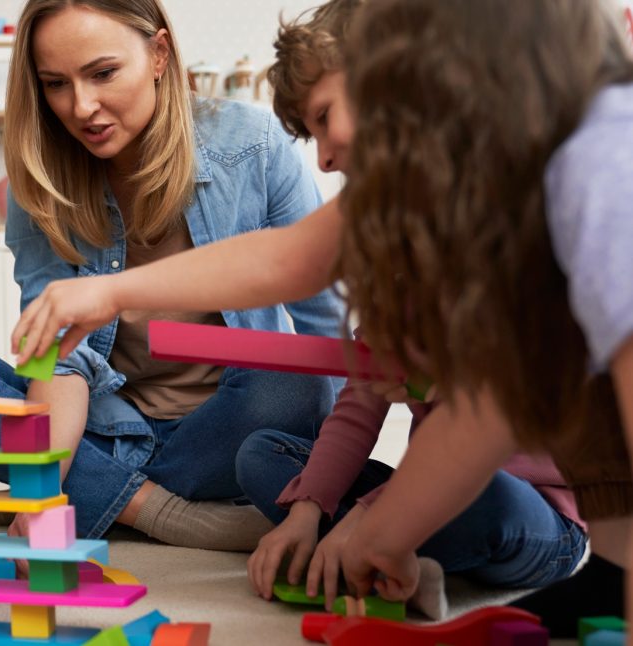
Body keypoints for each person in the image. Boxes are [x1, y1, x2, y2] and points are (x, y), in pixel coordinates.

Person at [0, 0, 347, 550]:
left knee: (297, 379)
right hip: (102, 424)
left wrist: (324, 482)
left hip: (222, 429)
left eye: (103, 73)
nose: (82, 106)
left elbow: (326, 331)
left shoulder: (252, 145)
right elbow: (60, 358)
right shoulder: (39, 183)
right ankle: (153, 509)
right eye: (55, 84)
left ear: (158, 54)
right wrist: (42, 487)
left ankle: (97, 493)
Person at [238, 0, 584, 610]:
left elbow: (480, 432)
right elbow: (363, 394)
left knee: (486, 497)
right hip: (431, 485)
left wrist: (373, 516)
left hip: (539, 508)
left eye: (324, 120)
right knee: (265, 457)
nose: (321, 159)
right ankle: (392, 551)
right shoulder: (397, 243)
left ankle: (386, 544)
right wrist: (309, 510)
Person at [329, 0, 633, 630]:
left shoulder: (598, 169)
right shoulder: (513, 200)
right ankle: (615, 571)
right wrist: (384, 531)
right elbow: (492, 400)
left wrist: (379, 524)